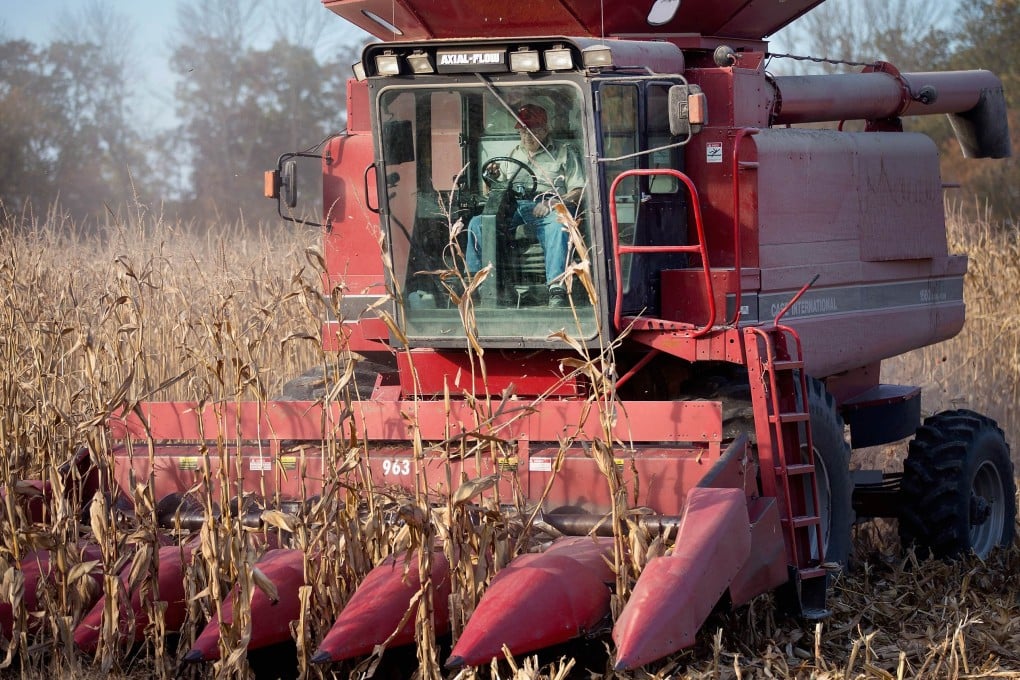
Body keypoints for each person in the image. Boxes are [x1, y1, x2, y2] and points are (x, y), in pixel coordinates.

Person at [466, 104, 585, 307]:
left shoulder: (564, 153)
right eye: (522, 131)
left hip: (549, 204)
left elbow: (579, 190)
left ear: (546, 130)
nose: (527, 137)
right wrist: (493, 178)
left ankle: (556, 287)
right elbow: (494, 192)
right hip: (517, 204)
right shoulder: (513, 153)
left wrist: (554, 202)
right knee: (479, 223)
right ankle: (483, 283)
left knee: (560, 224)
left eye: (533, 131)